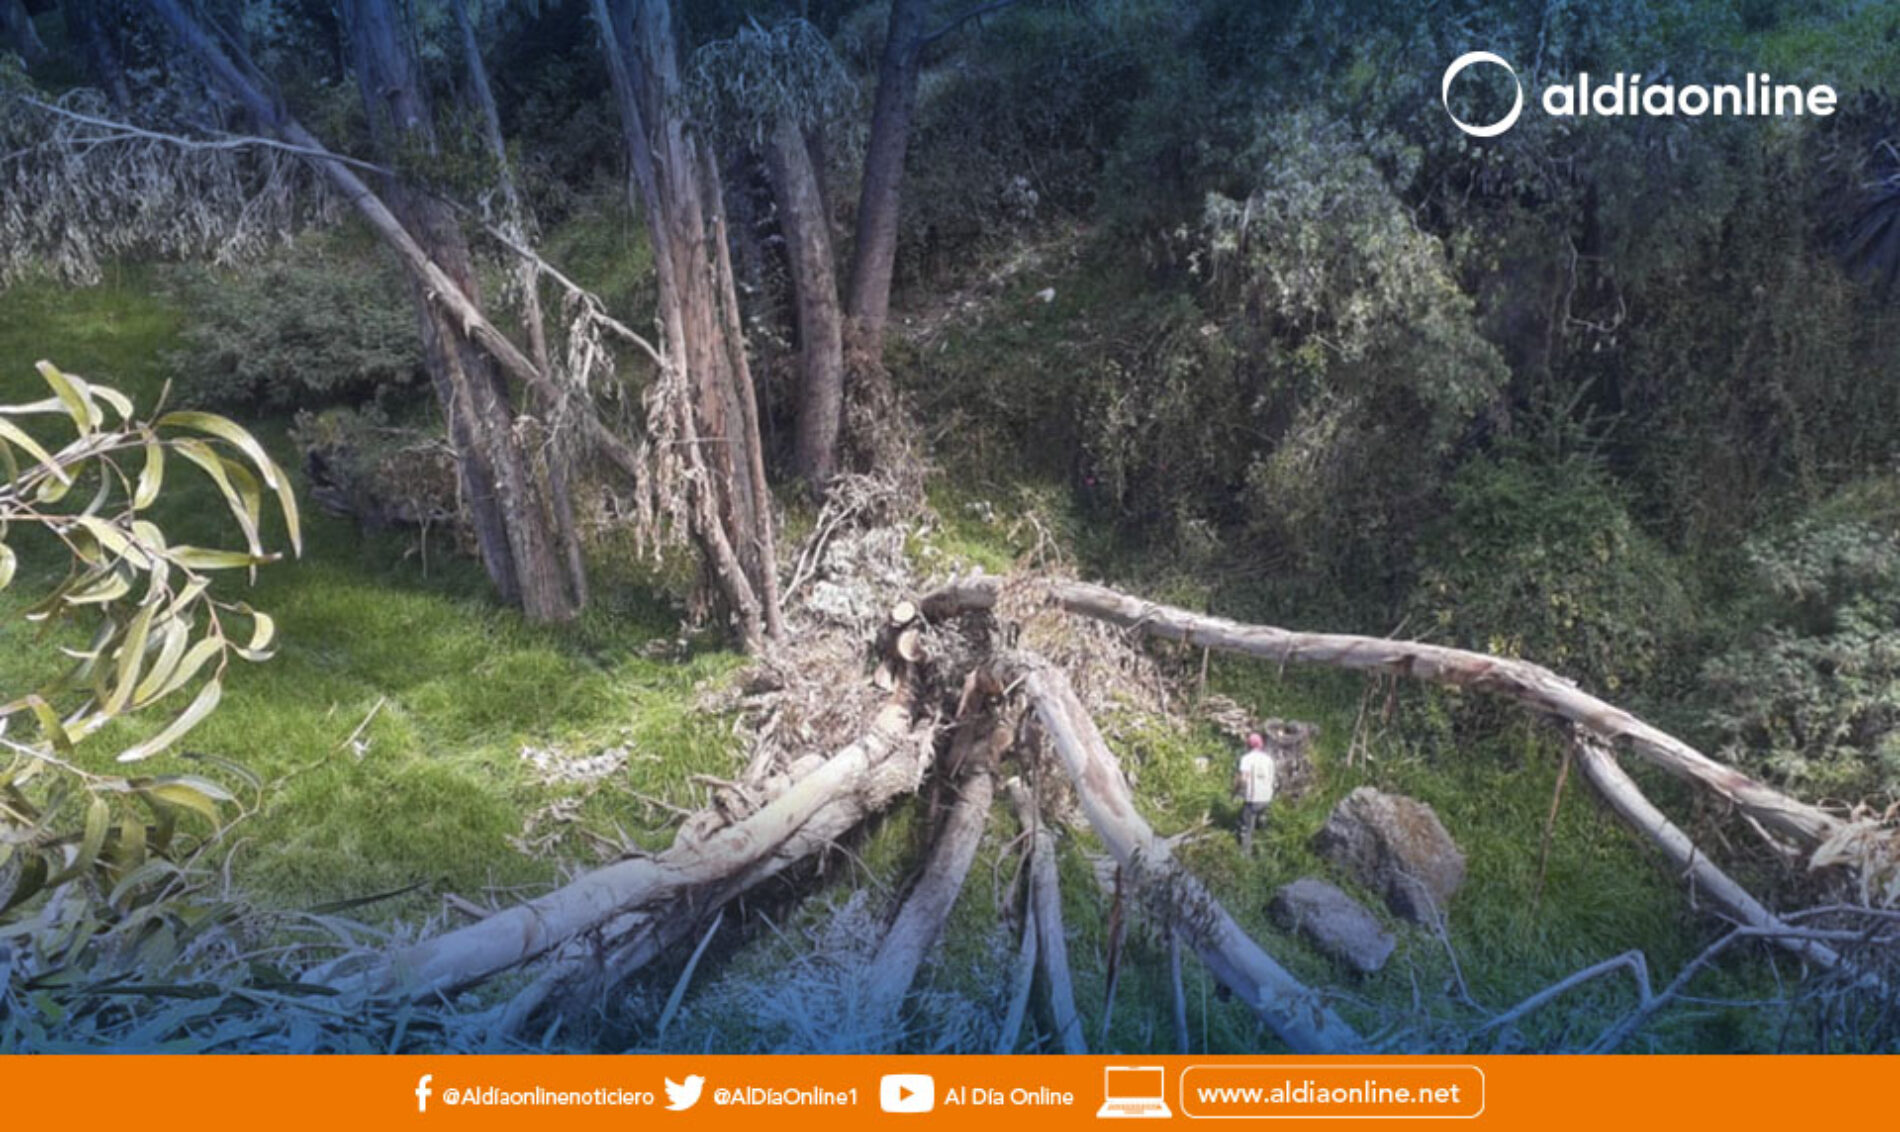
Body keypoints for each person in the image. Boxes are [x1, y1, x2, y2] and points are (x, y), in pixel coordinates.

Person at [1234, 731, 1276, 856]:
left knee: (1246, 827)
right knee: (1261, 819)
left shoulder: (1246, 759)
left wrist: (1236, 792)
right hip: (1267, 797)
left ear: (1248, 745)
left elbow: (1243, 779)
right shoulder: (1268, 759)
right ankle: (1266, 846)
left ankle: (1245, 855)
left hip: (1253, 798)